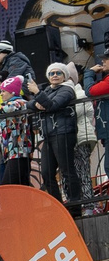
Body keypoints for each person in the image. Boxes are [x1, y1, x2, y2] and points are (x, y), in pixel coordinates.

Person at [34, 64, 84, 212]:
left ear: (65, 75)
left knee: (66, 169)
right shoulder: (48, 90)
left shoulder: (67, 89)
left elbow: (53, 105)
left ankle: (74, 206)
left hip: (63, 132)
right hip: (49, 134)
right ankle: (58, 206)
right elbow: (32, 104)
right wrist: (39, 102)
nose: (54, 75)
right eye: (51, 73)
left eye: (58, 73)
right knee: (46, 173)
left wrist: (38, 94)